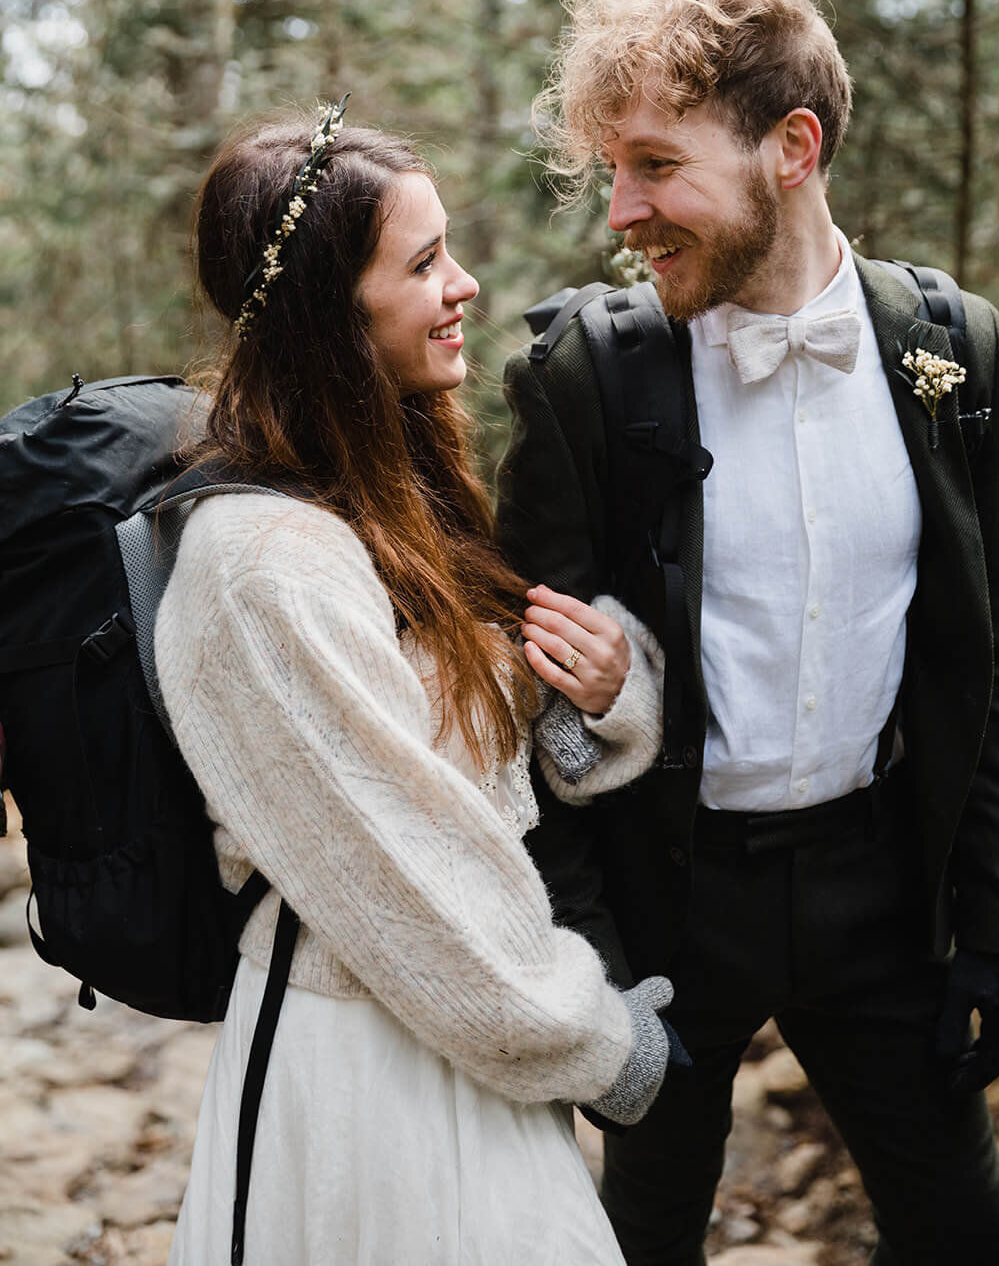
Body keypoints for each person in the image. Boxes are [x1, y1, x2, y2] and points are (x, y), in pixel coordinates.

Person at [497, 0, 999, 1266]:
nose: (620, 209)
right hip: (666, 904)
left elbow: (987, 656)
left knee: (961, 1235)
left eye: (654, 166)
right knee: (640, 1244)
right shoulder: (587, 375)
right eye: (611, 172)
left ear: (789, 148)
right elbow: (520, 698)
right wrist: (592, 963)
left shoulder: (948, 348)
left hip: (880, 892)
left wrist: (994, 925)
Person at [157, 101, 674, 1266]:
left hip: (460, 1042)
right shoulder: (261, 562)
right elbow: (401, 868)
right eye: (425, 261)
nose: (466, 284)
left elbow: (463, 735)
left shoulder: (379, 494)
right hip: (360, 1076)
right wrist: (594, 1037)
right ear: (326, 316)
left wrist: (599, 695)